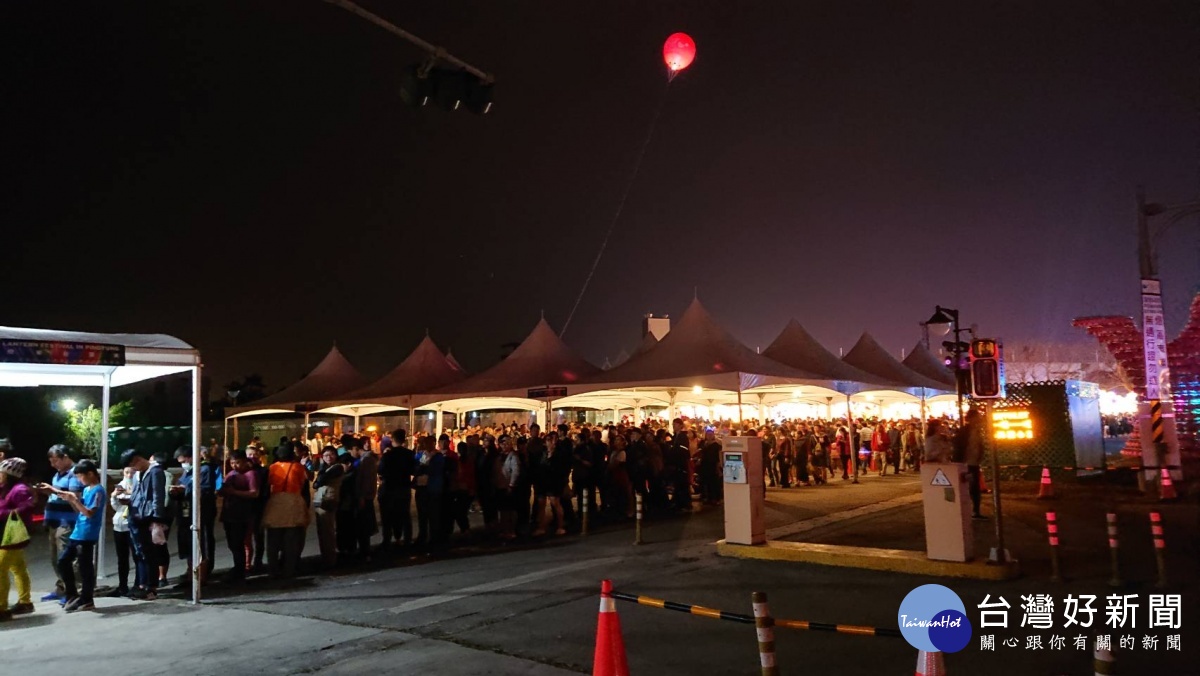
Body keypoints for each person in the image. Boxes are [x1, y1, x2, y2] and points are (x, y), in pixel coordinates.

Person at [45, 459, 105, 612]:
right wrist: (65, 496)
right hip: (78, 531)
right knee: (63, 561)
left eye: (80, 477)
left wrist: (75, 500)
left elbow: (90, 512)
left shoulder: (98, 490)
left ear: (90, 474)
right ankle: (72, 594)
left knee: (85, 567)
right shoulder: (86, 490)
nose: (79, 480)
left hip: (87, 533)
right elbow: (80, 510)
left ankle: (87, 598)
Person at [37, 444, 83, 602]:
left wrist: (53, 491)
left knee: (66, 558)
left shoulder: (75, 473)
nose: (53, 464)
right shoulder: (58, 474)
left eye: (56, 460)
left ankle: (73, 590)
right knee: (55, 558)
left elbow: (73, 497)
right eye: (51, 461)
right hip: (54, 521)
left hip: (68, 521)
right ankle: (62, 587)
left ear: (66, 457)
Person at [123, 449, 168, 600]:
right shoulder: (137, 474)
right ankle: (141, 584)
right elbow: (136, 493)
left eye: (134, 464)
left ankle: (151, 586)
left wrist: (157, 518)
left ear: (138, 459)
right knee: (139, 552)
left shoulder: (155, 471)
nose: (134, 468)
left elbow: (158, 495)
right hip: (135, 514)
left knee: (149, 553)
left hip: (147, 516)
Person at [262, 444, 310, 579]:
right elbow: (302, 483)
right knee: (291, 541)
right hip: (293, 503)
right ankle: (289, 569)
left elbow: (268, 484)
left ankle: (272, 569)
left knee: (273, 542)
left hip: (276, 504)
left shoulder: (272, 467)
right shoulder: (298, 467)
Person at [0, 457, 35, 621]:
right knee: (17, 567)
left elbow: (25, 510)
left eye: (1, 471)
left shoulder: (19, 490)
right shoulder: (6, 488)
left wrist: (4, 513)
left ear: (9, 474)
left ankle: (2, 608)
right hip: (7, 536)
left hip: (11, 536)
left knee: (1, 570)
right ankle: (25, 601)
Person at [219, 450, 259, 583]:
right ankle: (237, 568)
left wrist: (234, 492)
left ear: (244, 461)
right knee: (232, 544)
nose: (234, 466)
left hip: (242, 514)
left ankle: (240, 570)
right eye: (232, 463)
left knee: (239, 543)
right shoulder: (230, 474)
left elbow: (254, 493)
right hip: (229, 513)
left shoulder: (250, 474)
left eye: (237, 463)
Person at [107, 467, 136, 597]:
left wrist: (131, 495)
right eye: (127, 472)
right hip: (119, 525)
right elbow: (115, 507)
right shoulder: (120, 485)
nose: (129, 475)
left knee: (137, 555)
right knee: (122, 558)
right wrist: (114, 496)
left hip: (133, 524)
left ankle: (138, 584)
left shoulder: (138, 484)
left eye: (132, 472)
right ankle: (122, 586)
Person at [312, 446, 344, 567]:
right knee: (322, 532)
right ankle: (325, 557)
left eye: (331, 455)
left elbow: (319, 482)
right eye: (325, 455)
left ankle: (330, 559)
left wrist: (321, 470)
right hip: (321, 501)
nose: (328, 457)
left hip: (328, 501)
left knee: (328, 532)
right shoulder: (327, 468)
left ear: (336, 455)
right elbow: (316, 483)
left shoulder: (337, 467)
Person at [958, 409, 987, 520]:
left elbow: (979, 446)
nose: (979, 419)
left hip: (974, 462)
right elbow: (959, 446)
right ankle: (972, 511)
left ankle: (975, 510)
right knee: (970, 487)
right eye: (977, 417)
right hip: (967, 463)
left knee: (974, 487)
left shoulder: (977, 431)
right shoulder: (965, 431)